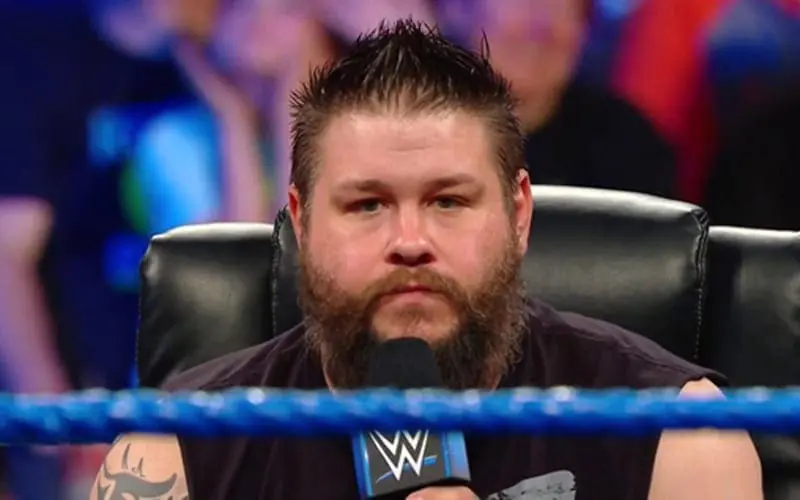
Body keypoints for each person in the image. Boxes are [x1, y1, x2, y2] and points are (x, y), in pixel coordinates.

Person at [89, 20, 762, 500]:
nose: (409, 240)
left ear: (519, 216)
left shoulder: (678, 429)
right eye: (367, 205)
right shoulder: (174, 447)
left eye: (447, 201)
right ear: (300, 223)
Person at [0, 2, 187, 498]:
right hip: (87, 413)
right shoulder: (36, 49)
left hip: (213, 406)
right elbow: (7, 255)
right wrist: (61, 424)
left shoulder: (241, 52)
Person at [474, 0, 677, 198]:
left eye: (562, 6)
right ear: (463, 13)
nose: (539, 25)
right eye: (522, 2)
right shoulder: (454, 140)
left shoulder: (629, 145)